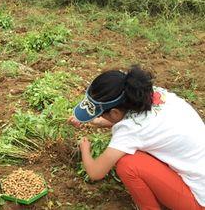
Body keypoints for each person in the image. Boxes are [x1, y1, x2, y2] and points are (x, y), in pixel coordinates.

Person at [68, 65, 205, 210]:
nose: (100, 117)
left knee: (127, 164)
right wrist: (93, 120)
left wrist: (85, 149)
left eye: (101, 113)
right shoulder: (151, 94)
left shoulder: (129, 130)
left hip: (199, 201)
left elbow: (95, 172)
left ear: (114, 112)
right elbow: (130, 122)